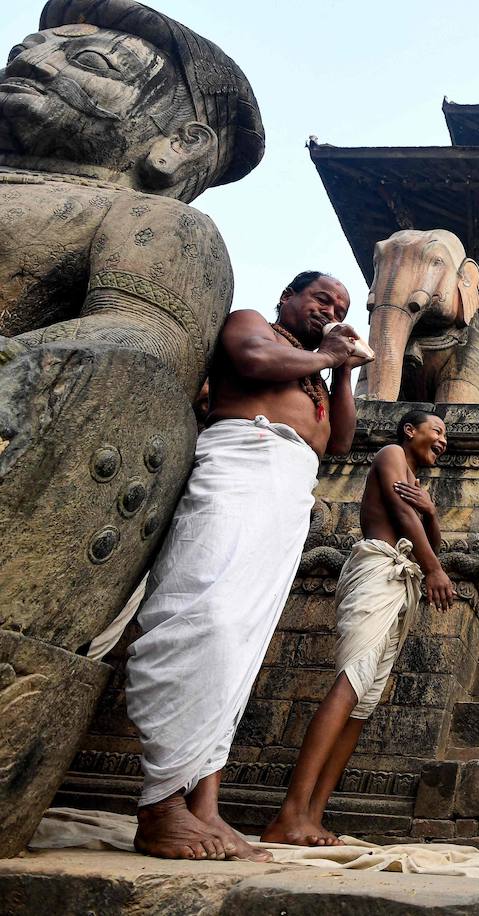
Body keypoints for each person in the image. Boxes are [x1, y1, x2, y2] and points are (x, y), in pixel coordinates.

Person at [125, 271, 369, 862]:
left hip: (288, 492)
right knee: (205, 615)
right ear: (288, 297)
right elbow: (255, 360)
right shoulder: (252, 325)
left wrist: (341, 369)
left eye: (338, 305)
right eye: (321, 298)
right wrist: (321, 350)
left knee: (242, 647)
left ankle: (204, 807)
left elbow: (338, 442)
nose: (329, 309)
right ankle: (160, 806)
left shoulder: (314, 369)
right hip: (240, 464)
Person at [261, 409, 456, 846]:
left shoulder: (417, 482)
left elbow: (425, 529)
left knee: (363, 702)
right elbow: (403, 522)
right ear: (411, 430)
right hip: (378, 571)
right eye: (438, 430)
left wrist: (432, 511)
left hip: (399, 579)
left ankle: (313, 814)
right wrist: (435, 570)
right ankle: (289, 814)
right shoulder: (390, 454)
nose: (444, 440)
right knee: (351, 683)